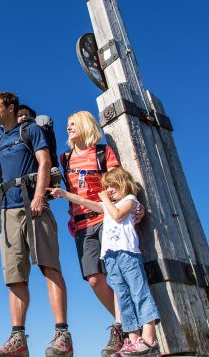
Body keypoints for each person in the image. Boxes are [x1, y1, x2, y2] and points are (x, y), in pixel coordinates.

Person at [0, 91, 73, 357]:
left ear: (11, 107)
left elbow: (45, 161)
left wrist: (38, 196)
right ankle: (18, 339)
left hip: (34, 205)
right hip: (8, 211)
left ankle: (62, 334)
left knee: (49, 265)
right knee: (14, 277)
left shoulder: (32, 131)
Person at [49, 167, 160, 356]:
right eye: (106, 186)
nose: (108, 190)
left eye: (113, 185)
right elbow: (85, 202)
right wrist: (64, 194)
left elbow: (117, 215)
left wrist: (106, 199)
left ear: (124, 184)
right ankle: (133, 340)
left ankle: (149, 339)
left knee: (138, 293)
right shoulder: (108, 205)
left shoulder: (130, 201)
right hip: (110, 257)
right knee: (123, 299)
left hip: (127, 254)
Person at [60, 111, 144, 357]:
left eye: (73, 124)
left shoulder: (102, 152)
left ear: (86, 125)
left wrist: (136, 204)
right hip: (82, 225)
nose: (68, 128)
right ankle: (130, 323)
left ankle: (121, 328)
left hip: (107, 220)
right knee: (95, 279)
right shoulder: (64, 159)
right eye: (67, 125)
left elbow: (120, 182)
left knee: (116, 276)